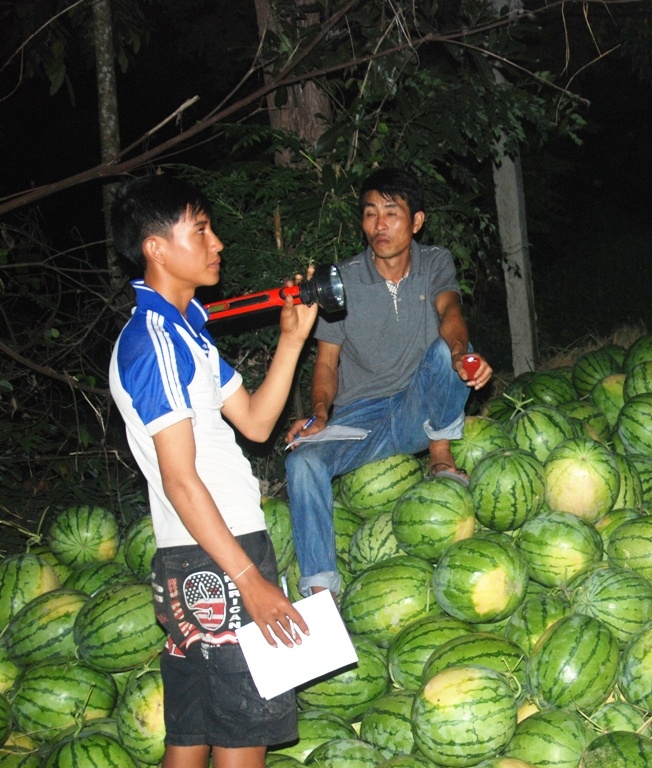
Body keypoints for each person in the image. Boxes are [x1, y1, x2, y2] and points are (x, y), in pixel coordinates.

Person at [108, 174, 317, 768]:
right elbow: (180, 478)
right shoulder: (154, 343)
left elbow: (253, 422)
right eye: (200, 229)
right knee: (241, 737)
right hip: (218, 558)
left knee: (193, 734)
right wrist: (249, 579)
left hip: (198, 557)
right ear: (155, 247)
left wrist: (291, 341)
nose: (217, 241)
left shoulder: (184, 334)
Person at [284, 167, 492, 596]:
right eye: (370, 213)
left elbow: (450, 312)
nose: (379, 225)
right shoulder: (339, 281)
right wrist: (321, 413)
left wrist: (460, 354)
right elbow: (325, 365)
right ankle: (321, 591)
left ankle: (440, 454)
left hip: (421, 405)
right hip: (364, 420)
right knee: (301, 462)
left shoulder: (435, 261)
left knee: (445, 348)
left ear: (416, 221)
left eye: (392, 213)